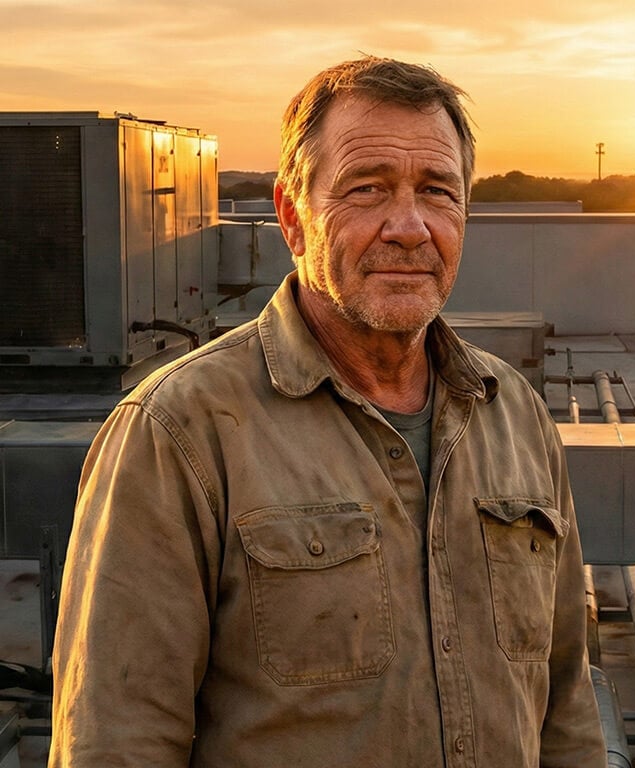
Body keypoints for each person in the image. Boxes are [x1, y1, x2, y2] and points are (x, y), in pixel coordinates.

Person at [50, 56, 607, 767]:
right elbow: (116, 739)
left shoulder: (515, 415)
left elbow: (566, 708)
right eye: (367, 189)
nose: (408, 227)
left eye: (437, 191)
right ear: (292, 215)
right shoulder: (178, 430)